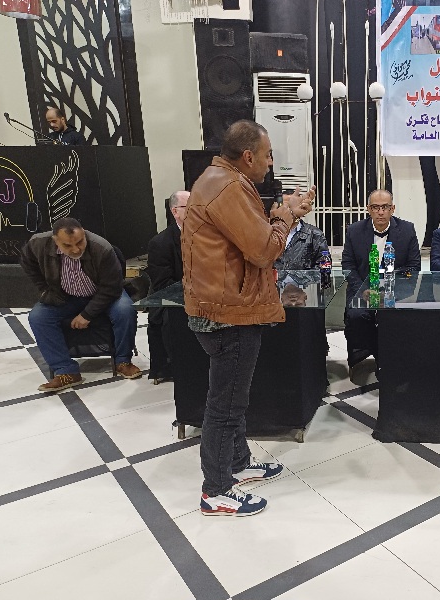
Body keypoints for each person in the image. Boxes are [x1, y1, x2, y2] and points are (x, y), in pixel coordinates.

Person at [181, 119, 315, 517]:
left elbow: (248, 241)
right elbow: (263, 251)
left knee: (232, 399)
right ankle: (216, 489)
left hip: (226, 307)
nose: (271, 162)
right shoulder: (229, 187)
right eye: (268, 155)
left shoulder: (221, 180)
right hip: (228, 314)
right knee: (225, 405)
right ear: (248, 156)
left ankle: (237, 465)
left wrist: (283, 216)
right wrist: (285, 218)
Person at [20, 218, 141, 392]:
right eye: (67, 245)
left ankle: (123, 361)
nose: (76, 249)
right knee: (38, 317)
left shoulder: (101, 247)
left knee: (125, 310)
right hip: (65, 296)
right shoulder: (38, 244)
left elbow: (111, 287)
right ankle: (65, 370)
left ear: (84, 233)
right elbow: (27, 263)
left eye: (79, 242)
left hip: (104, 294)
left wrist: (87, 314)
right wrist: (44, 289)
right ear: (55, 241)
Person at [341, 189, 421, 369]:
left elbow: (413, 266)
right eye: (376, 207)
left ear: (392, 209)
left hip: (396, 291)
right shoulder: (354, 230)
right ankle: (369, 358)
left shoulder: (407, 230)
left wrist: (390, 291)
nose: (380, 212)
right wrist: (363, 290)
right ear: (368, 209)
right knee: (356, 317)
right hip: (363, 291)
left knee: (401, 319)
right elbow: (347, 265)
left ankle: (395, 361)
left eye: (385, 207)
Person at [145, 191, 189, 381]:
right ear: (175, 211)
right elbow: (163, 284)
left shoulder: (209, 236)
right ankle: (177, 367)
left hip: (207, 293)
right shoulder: (160, 243)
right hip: (175, 296)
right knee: (172, 319)